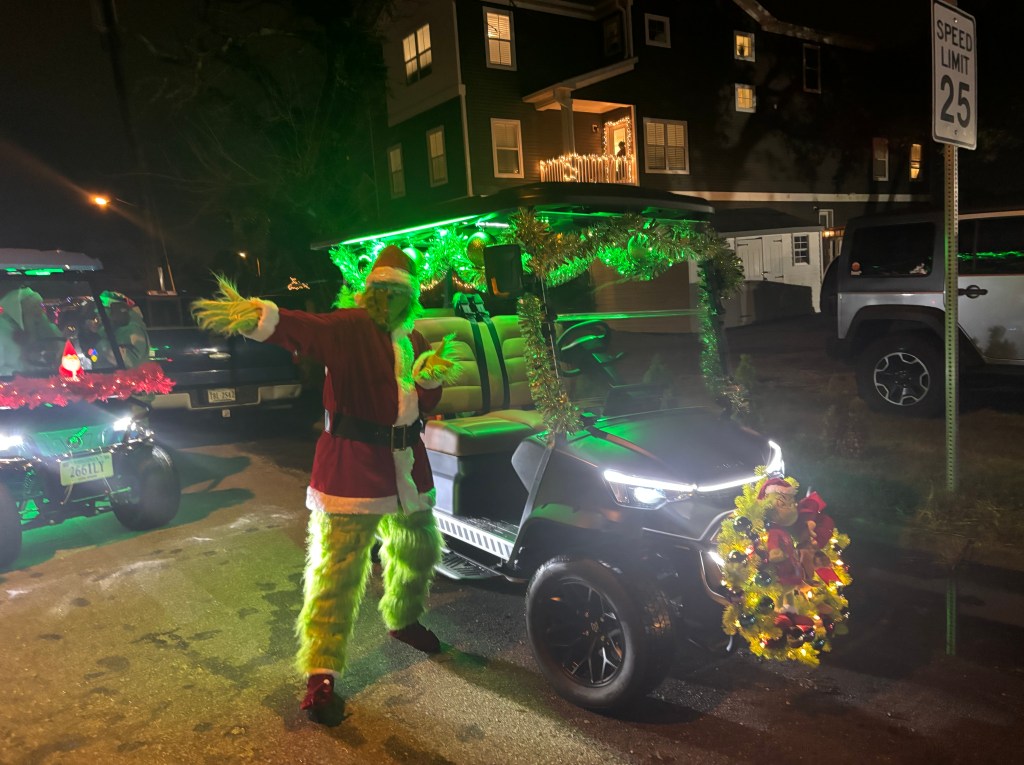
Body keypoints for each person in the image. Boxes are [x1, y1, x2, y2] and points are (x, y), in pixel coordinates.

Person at [191, 245, 459, 717]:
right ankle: (321, 672)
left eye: (397, 293)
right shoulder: (348, 327)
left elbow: (425, 404)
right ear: (368, 293)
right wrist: (262, 318)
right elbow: (305, 329)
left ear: (410, 297)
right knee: (338, 571)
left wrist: (431, 380)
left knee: (416, 551)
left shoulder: (415, 339)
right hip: (352, 469)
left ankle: (403, 619)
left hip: (406, 467)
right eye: (380, 292)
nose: (387, 301)